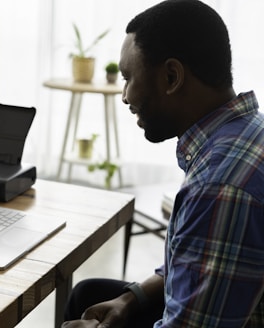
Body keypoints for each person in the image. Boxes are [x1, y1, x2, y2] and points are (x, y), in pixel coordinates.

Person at [62, 0, 264, 327]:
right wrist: (131, 298)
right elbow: (195, 264)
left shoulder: (219, 188)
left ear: (171, 76)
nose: (125, 95)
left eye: (129, 77)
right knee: (89, 294)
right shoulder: (245, 132)